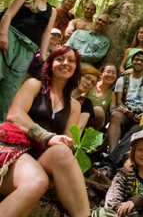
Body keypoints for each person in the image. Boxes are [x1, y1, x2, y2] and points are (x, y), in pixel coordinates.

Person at [0, 46, 90, 217]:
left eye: (71, 60)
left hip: (41, 158)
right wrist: (47, 137)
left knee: (63, 152)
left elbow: (67, 144)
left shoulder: (75, 106)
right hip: (13, 151)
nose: (65, 63)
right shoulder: (34, 85)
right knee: (37, 181)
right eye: (60, 59)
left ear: (76, 68)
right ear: (50, 63)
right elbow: (15, 115)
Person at [0, 0, 58, 121]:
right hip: (11, 37)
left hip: (29, 49)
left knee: (12, 85)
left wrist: (43, 56)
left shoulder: (51, 11)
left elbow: (46, 35)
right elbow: (8, 15)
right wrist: (3, 34)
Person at [108, 51, 143, 151]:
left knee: (137, 128)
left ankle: (118, 155)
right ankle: (112, 151)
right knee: (115, 116)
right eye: (136, 60)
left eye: (142, 61)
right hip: (127, 112)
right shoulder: (122, 80)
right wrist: (125, 110)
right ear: (131, 63)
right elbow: (119, 101)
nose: (139, 62)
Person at [86, 63, 118, 130]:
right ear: (101, 74)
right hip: (81, 116)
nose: (110, 75)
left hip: (95, 124)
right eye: (108, 72)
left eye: (113, 73)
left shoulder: (112, 95)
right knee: (98, 110)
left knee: (99, 111)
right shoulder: (91, 84)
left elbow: (112, 112)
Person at [71, 65, 100, 133]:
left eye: (93, 82)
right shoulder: (60, 91)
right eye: (87, 77)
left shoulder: (86, 103)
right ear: (78, 75)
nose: (88, 83)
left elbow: (79, 129)